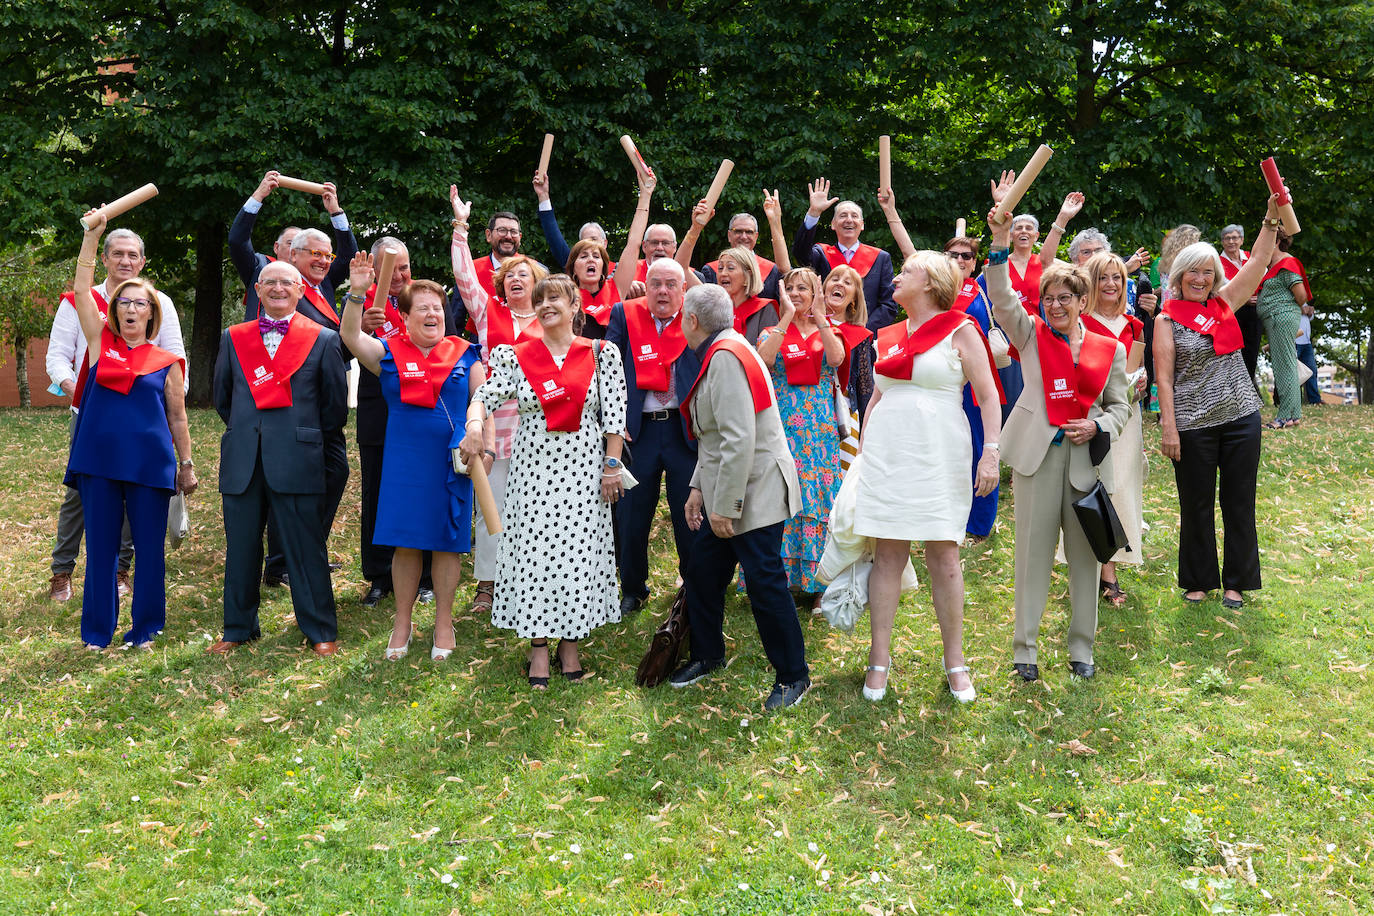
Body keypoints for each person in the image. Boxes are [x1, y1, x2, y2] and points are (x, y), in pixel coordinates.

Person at [985, 185, 1131, 683]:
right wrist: (1000, 241)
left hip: (1087, 464)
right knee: (1031, 557)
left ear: (1082, 300)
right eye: (1048, 299)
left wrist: (1099, 424)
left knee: (1087, 561)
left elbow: (1121, 406)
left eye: (1064, 299)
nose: (1054, 307)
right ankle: (1024, 651)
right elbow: (1002, 297)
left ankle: (1081, 652)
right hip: (1036, 459)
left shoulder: (1108, 348)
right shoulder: (1029, 334)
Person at [847, 249, 1003, 702]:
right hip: (888, 456)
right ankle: (879, 660)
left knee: (945, 557)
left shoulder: (961, 329)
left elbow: (990, 398)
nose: (896, 277)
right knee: (888, 556)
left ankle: (955, 661)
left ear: (931, 283)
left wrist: (990, 453)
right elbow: (876, 398)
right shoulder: (889, 335)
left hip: (939, 454)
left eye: (907, 272)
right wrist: (863, 453)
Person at [460, 274, 629, 687]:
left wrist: (612, 467)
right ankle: (538, 649)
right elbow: (485, 396)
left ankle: (570, 644)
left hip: (584, 471)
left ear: (576, 307)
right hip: (533, 472)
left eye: (556, 297)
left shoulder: (601, 353)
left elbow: (615, 418)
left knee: (576, 554)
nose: (547, 305)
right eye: (541, 299)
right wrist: (474, 422)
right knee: (534, 557)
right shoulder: (516, 357)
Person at [668, 284, 809, 710]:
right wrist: (697, 488)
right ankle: (709, 656)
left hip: (754, 491)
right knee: (702, 573)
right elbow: (715, 438)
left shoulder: (726, 357)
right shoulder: (725, 349)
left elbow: (738, 438)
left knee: (765, 584)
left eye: (682, 316)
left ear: (692, 320)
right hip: (731, 487)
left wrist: (724, 509)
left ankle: (793, 677)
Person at [64, 212, 196, 648]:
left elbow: (177, 417)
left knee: (149, 554)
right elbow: (82, 289)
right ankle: (97, 633)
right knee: (101, 551)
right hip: (99, 463)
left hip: (151, 466)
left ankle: (146, 629)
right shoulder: (101, 344)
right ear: (114, 310)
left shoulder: (165, 363)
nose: (133, 308)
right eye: (125, 302)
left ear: (152, 312)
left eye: (141, 303)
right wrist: (91, 237)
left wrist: (187, 464)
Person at [342, 261, 484, 661]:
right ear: (403, 317)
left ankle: (443, 621)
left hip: (450, 463)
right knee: (405, 544)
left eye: (437, 308)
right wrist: (356, 291)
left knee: (447, 544)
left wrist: (482, 440)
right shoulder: (387, 354)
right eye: (421, 308)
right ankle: (402, 622)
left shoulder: (465, 353)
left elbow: (483, 399)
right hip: (404, 464)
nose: (431, 314)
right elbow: (350, 334)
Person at [210, 260, 349, 656]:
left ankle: (320, 629)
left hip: (298, 457)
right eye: (269, 282)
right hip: (243, 459)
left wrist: (293, 435)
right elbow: (223, 398)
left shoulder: (323, 339)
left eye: (286, 282)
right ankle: (237, 628)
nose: (277, 288)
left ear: (300, 290)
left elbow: (334, 408)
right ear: (257, 290)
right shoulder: (233, 338)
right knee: (241, 548)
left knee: (305, 548)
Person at [1155, 195, 1283, 611]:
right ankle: (1197, 579)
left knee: (1239, 501)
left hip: (1242, 418)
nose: (1201, 278)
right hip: (1192, 424)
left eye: (1208, 271)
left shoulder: (1225, 303)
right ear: (1179, 275)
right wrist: (1168, 428)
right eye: (1193, 270)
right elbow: (1164, 377)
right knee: (1196, 504)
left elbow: (1259, 261)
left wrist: (1269, 217)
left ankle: (1237, 583)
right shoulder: (1166, 318)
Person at [451, 187, 551, 615]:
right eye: (509, 275)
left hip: (541, 424)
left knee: (536, 505)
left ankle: (532, 579)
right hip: (495, 421)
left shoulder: (553, 319)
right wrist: (460, 227)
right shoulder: (488, 314)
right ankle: (487, 586)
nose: (514, 279)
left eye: (523, 275)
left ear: (537, 284)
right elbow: (462, 279)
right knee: (490, 500)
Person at [353, 237, 456, 609]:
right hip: (380, 415)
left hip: (427, 416)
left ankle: (426, 577)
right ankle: (380, 577)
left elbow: (451, 346)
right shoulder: (363, 304)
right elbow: (345, 345)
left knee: (426, 492)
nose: (399, 274)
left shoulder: (427, 302)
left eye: (404, 266)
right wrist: (363, 326)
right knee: (379, 494)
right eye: (390, 267)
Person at [603, 259, 702, 617]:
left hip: (682, 430)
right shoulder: (624, 315)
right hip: (637, 431)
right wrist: (615, 422)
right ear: (646, 286)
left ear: (683, 290)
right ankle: (632, 587)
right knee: (630, 515)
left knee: (688, 514)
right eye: (656, 283)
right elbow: (608, 370)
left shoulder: (696, 317)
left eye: (670, 285)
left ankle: (693, 584)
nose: (662, 291)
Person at [755, 268, 844, 605]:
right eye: (789, 288)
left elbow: (836, 359)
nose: (795, 293)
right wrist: (787, 318)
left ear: (815, 293)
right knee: (780, 498)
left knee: (817, 500)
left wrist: (819, 315)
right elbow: (763, 359)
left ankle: (819, 583)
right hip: (782, 427)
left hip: (818, 431)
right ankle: (781, 583)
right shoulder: (771, 331)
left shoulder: (829, 330)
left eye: (802, 288)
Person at [1081, 252, 1150, 606]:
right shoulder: (1078, 323)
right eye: (1104, 278)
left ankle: (1108, 564)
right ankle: (1103, 572)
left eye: (1118, 278)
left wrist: (1142, 384)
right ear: (1091, 283)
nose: (1111, 284)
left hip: (1128, 417)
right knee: (1097, 489)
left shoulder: (1134, 325)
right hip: (1091, 417)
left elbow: (1140, 368)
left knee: (1121, 488)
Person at [792, 179, 897, 331]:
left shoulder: (881, 258)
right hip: (825, 331)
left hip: (865, 335)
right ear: (833, 224)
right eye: (843, 215)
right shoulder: (821, 254)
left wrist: (862, 330)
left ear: (862, 225)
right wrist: (814, 212)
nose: (849, 219)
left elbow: (888, 305)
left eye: (854, 216)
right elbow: (800, 254)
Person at [1257, 230, 1312, 429]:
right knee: (1286, 365)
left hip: (1282, 318)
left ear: (1277, 240)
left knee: (1284, 367)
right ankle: (1294, 415)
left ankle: (1283, 417)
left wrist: (1282, 308)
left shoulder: (1287, 263)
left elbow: (1301, 296)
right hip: (1276, 319)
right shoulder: (1272, 266)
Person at [532, 168, 608, 273]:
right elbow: (553, 236)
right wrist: (543, 195)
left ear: (604, 243)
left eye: (594, 239)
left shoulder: (619, 271)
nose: (590, 244)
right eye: (585, 242)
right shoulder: (574, 267)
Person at [698, 212, 782, 301]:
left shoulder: (772, 271)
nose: (744, 236)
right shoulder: (711, 271)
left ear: (756, 236)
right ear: (729, 235)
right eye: (738, 231)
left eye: (749, 232)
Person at [1219, 224, 1262, 381]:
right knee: (1234, 350)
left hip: (1254, 311)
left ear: (1242, 240)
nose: (1231, 241)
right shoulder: (1218, 262)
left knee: (1253, 350)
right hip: (1232, 311)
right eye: (1227, 238)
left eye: (1235, 237)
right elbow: (1220, 287)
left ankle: (1249, 387)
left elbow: (1263, 278)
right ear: (1223, 242)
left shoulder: (1251, 258)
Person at [1296, 303, 1322, 405]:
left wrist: (1310, 313)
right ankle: (1292, 401)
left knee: (1311, 371)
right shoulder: (1286, 295)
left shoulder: (1304, 301)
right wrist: (1299, 310)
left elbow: (1308, 319)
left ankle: (1315, 400)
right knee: (1293, 372)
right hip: (1293, 341)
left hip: (1306, 342)